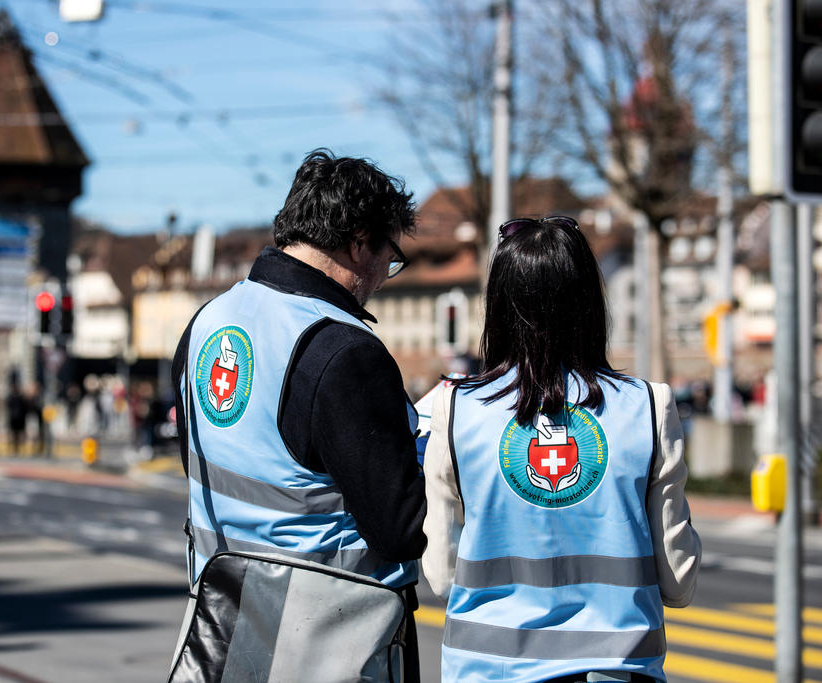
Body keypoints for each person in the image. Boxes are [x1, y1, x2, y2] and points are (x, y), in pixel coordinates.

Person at [170, 149, 426, 679]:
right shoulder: (344, 351)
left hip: (220, 632)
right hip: (326, 645)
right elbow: (399, 530)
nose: (382, 276)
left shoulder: (207, 322)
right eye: (387, 258)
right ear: (359, 243)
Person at [422, 216, 702, 683]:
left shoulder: (456, 407)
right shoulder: (648, 406)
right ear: (591, 303)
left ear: (499, 305)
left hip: (487, 669)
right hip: (616, 669)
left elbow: (440, 575)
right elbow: (678, 581)